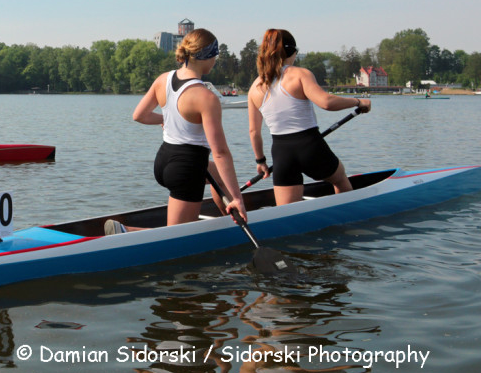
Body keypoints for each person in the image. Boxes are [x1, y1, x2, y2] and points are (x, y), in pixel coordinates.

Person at [106, 28, 247, 233]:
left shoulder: (163, 79)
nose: (215, 61)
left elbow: (139, 115)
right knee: (178, 236)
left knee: (219, 177)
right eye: (215, 56)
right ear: (206, 56)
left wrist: (169, 118)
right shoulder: (206, 97)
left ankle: (228, 221)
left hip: (164, 160)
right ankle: (125, 231)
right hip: (187, 168)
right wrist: (238, 198)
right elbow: (221, 152)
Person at [248, 29, 370, 205]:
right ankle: (349, 219)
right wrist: (358, 102)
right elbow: (326, 102)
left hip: (282, 153)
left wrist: (260, 161)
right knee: (340, 179)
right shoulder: (300, 74)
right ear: (292, 51)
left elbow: (253, 131)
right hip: (310, 146)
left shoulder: (255, 87)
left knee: (287, 212)